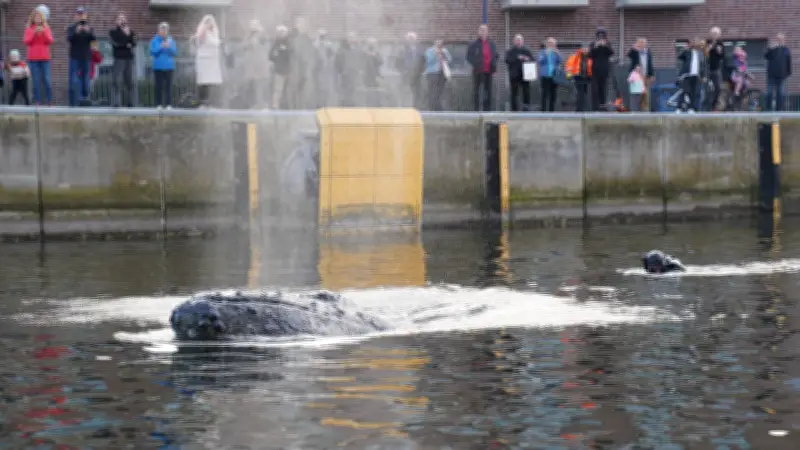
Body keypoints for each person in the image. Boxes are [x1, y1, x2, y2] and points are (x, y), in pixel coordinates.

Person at [67, 6, 96, 107]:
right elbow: (69, 39)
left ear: (86, 16)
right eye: (78, 14)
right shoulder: (71, 28)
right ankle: (74, 101)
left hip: (86, 57)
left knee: (85, 79)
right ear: (75, 16)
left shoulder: (89, 28)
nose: (80, 16)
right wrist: (77, 31)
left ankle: (84, 98)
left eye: (82, 14)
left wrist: (88, 31)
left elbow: (93, 38)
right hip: (74, 56)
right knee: (74, 79)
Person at [192, 14, 224, 108]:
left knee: (212, 83)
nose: (209, 24)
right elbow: (208, 42)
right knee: (203, 82)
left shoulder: (215, 32)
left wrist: (219, 42)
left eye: (210, 22)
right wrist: (202, 32)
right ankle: (202, 103)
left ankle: (212, 103)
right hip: (204, 61)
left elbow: (216, 43)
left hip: (212, 61)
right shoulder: (201, 32)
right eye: (207, 22)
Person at [23, 8, 53, 105]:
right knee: (35, 81)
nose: (38, 19)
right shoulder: (29, 29)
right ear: (33, 18)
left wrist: (43, 32)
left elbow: (50, 41)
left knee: (47, 79)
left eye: (39, 17)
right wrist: (33, 33)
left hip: (45, 58)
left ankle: (49, 100)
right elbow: (26, 42)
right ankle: (37, 101)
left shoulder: (46, 28)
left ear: (42, 18)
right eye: (36, 17)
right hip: (33, 58)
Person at [466, 24, 499, 111]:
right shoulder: (473, 44)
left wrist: (494, 68)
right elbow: (469, 57)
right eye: (481, 30)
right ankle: (476, 109)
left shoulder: (492, 44)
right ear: (478, 32)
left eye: (484, 30)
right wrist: (476, 64)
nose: (483, 31)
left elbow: (495, 56)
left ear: (487, 32)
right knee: (476, 91)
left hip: (488, 71)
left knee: (488, 91)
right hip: (477, 71)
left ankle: (487, 109)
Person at [239, 19, 269, 109]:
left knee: (259, 86)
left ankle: (260, 104)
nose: (253, 26)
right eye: (252, 24)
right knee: (248, 85)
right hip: (250, 66)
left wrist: (260, 32)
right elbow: (243, 46)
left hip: (260, 64)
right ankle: (249, 104)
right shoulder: (248, 36)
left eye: (255, 24)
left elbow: (265, 46)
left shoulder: (262, 35)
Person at [108, 12, 137, 107]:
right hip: (118, 58)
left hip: (129, 58)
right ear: (116, 21)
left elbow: (134, 43)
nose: (122, 20)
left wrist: (128, 35)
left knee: (129, 81)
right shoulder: (113, 32)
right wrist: (126, 43)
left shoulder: (131, 31)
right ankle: (116, 102)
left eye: (124, 19)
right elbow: (116, 43)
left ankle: (130, 102)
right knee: (116, 80)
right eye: (120, 19)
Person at [149, 22, 177, 109]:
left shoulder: (171, 40)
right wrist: (161, 46)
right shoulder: (154, 40)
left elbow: (175, 53)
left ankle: (169, 104)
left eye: (165, 29)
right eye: (162, 29)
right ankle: (159, 104)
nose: (164, 31)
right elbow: (152, 52)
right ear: (159, 30)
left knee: (168, 87)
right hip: (158, 67)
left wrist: (169, 47)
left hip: (169, 67)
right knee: (159, 87)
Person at [505, 34, 534, 112]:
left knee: (526, 91)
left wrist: (527, 58)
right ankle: (514, 109)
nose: (518, 41)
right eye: (517, 40)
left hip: (525, 74)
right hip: (514, 75)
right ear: (514, 41)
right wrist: (517, 58)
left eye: (520, 40)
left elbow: (533, 60)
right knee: (514, 93)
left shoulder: (527, 50)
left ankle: (526, 108)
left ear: (522, 41)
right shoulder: (510, 51)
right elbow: (507, 60)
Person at [677, 37, 706, 113]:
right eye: (694, 41)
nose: (695, 43)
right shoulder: (687, 52)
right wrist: (684, 48)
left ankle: (692, 108)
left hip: (697, 76)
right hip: (687, 75)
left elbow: (703, 65)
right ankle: (679, 108)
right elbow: (679, 56)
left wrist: (703, 76)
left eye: (697, 42)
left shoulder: (701, 53)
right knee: (684, 91)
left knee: (695, 92)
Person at [396, 32, 425, 108]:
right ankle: (404, 107)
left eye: (413, 38)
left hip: (417, 74)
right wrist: (403, 71)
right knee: (405, 91)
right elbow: (397, 62)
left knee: (417, 91)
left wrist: (421, 71)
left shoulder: (420, 49)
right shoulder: (402, 49)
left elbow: (423, 61)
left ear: (416, 39)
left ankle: (416, 107)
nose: (411, 39)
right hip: (406, 74)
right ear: (407, 39)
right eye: (409, 38)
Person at [765, 33, 792, 112]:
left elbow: (788, 61)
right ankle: (768, 109)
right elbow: (766, 56)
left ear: (784, 40)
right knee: (769, 92)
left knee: (780, 93)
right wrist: (771, 48)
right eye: (778, 39)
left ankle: (779, 109)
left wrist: (788, 73)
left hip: (781, 75)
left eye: (781, 39)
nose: (780, 40)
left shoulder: (786, 49)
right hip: (771, 75)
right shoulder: (772, 49)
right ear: (776, 39)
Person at [588, 27, 614, 111]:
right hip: (595, 69)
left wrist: (605, 46)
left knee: (603, 88)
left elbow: (611, 53)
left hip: (604, 69)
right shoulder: (593, 44)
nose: (601, 36)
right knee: (595, 89)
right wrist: (596, 46)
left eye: (602, 34)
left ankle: (603, 107)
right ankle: (595, 107)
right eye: (599, 34)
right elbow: (589, 55)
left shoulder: (608, 43)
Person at [423, 39, 452, 111]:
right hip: (432, 73)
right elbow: (429, 61)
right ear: (435, 42)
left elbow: (449, 59)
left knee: (440, 91)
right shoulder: (429, 51)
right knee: (432, 91)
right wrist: (435, 54)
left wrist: (444, 54)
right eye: (437, 41)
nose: (439, 43)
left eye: (440, 41)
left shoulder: (444, 50)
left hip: (442, 73)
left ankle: (438, 107)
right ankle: (431, 108)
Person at [626, 38, 654, 112]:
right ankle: (636, 110)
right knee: (637, 94)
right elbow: (629, 55)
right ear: (638, 43)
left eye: (644, 42)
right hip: (637, 77)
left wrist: (652, 74)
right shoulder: (635, 51)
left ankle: (645, 111)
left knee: (646, 95)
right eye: (641, 42)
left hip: (646, 76)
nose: (642, 44)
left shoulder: (648, 52)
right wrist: (633, 48)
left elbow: (650, 63)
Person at [536, 37, 562, 113]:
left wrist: (558, 53)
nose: (551, 45)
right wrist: (545, 54)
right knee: (545, 93)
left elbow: (561, 61)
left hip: (554, 75)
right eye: (549, 43)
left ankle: (552, 110)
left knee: (553, 94)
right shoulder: (542, 52)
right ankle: (543, 110)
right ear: (546, 44)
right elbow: (539, 61)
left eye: (553, 43)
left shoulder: (556, 52)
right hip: (545, 75)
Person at [269, 25, 291, 109]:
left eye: (283, 32)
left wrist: (285, 50)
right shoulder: (275, 43)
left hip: (288, 70)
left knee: (288, 90)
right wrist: (276, 54)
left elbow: (291, 55)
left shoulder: (289, 43)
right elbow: (270, 56)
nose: (282, 34)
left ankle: (288, 105)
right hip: (279, 71)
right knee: (278, 90)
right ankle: (275, 106)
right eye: (280, 32)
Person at [565, 44, 592, 112]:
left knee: (586, 93)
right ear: (581, 49)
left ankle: (585, 107)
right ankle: (579, 108)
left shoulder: (591, 57)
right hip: (578, 77)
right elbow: (569, 67)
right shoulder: (574, 57)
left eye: (587, 48)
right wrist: (569, 77)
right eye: (584, 48)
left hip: (589, 77)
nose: (586, 50)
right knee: (580, 93)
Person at [705, 27, 725, 111]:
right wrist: (711, 46)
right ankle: (705, 106)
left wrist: (719, 51)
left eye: (716, 34)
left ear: (719, 35)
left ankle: (714, 106)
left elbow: (722, 56)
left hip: (716, 69)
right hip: (707, 69)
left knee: (718, 88)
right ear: (710, 34)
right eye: (713, 33)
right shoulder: (707, 42)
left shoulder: (721, 44)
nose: (715, 35)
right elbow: (705, 53)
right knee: (706, 88)